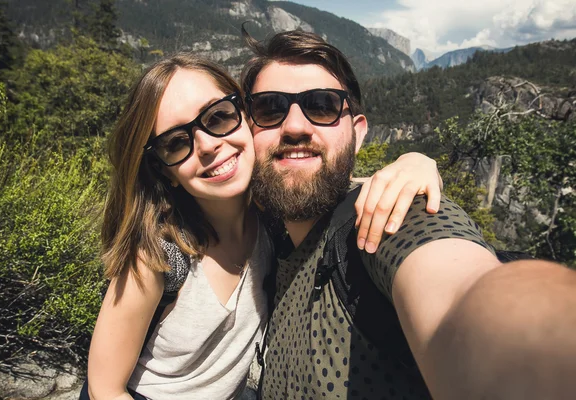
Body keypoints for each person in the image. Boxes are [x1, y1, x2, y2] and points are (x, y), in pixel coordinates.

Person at [84, 53, 444, 400]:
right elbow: (104, 388)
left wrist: (414, 164)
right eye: (177, 143)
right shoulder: (156, 256)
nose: (208, 145)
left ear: (248, 118)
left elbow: (326, 179)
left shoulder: (272, 216)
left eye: (218, 117)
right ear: (166, 171)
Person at [241, 28, 576, 400]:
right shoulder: (264, 233)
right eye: (269, 108)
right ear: (246, 133)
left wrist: (537, 343)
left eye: (322, 105)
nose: (295, 126)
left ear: (358, 133)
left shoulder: (390, 219)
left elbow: (461, 288)